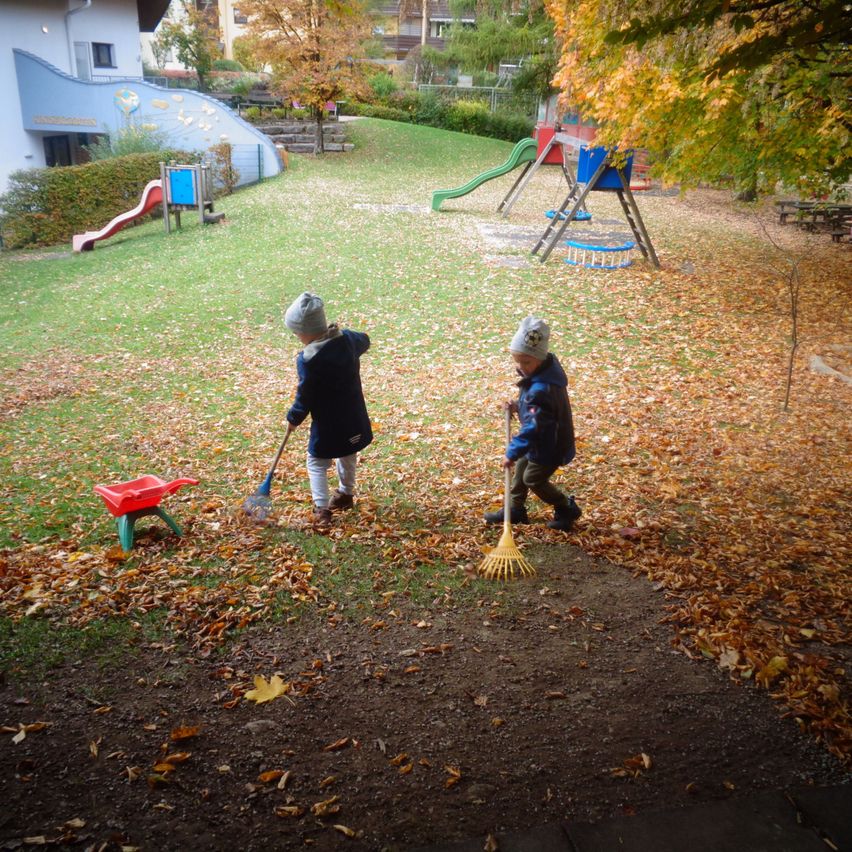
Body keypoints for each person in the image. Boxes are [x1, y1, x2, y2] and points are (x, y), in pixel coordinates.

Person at [284, 292, 372, 528]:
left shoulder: (309, 359)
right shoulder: (349, 340)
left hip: (329, 423)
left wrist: (294, 418)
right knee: (347, 453)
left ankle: (322, 510)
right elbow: (365, 339)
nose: (296, 337)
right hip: (354, 417)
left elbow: (306, 395)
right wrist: (345, 336)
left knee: (316, 462)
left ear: (307, 331)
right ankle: (345, 494)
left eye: (296, 332)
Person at [484, 316, 581, 531]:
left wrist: (512, 451)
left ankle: (566, 507)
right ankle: (515, 510)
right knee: (520, 471)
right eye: (517, 360)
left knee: (532, 479)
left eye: (526, 362)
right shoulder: (542, 373)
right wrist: (518, 406)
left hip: (550, 444)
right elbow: (537, 411)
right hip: (542, 440)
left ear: (540, 356)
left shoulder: (542, 388)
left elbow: (534, 426)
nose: (521, 367)